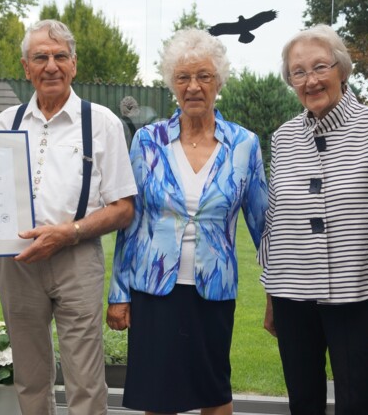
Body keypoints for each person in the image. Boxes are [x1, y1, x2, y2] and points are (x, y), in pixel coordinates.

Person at [0, 19, 136, 415]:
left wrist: (69, 232)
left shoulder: (102, 122)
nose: (50, 65)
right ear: (26, 67)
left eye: (59, 56)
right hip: (16, 261)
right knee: (30, 376)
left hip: (77, 259)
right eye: (40, 57)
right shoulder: (5, 123)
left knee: (86, 378)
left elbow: (124, 207)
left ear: (74, 64)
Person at [258, 24, 368, 415]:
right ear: (290, 80)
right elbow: (277, 224)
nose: (310, 80)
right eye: (298, 72)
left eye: (320, 67)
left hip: (359, 298)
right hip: (292, 298)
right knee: (302, 402)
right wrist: (272, 296)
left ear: (342, 69)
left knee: (357, 402)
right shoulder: (283, 138)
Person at [107, 28, 268, 415]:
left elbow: (264, 226)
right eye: (183, 77)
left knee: (214, 395)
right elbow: (130, 220)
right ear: (172, 85)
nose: (193, 86)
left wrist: (276, 293)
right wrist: (119, 293)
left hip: (213, 291)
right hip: (153, 290)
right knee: (158, 399)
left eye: (204, 76)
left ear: (219, 82)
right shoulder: (147, 140)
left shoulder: (244, 144)